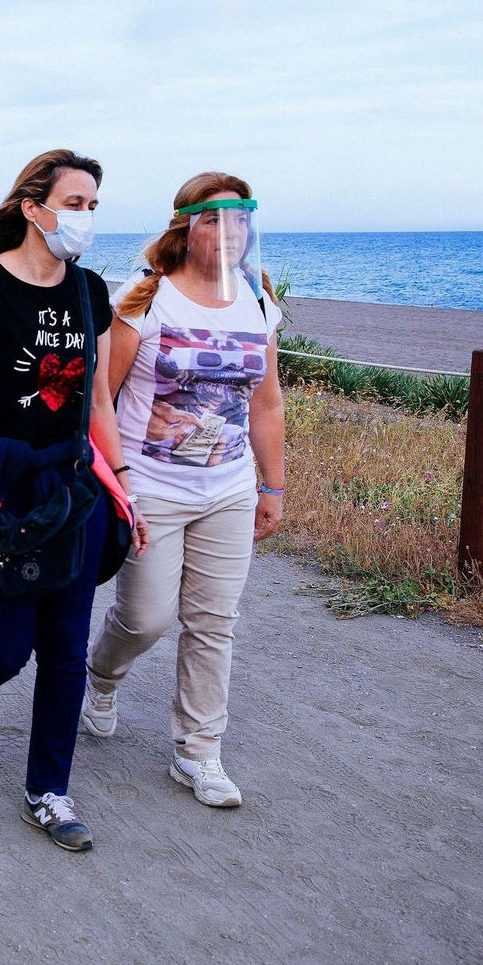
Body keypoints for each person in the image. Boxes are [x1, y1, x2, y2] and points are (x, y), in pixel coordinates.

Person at [0, 150, 147, 852]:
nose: (85, 217)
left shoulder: (90, 291)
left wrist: (124, 488)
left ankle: (48, 791)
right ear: (33, 208)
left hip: (72, 491)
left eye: (93, 206)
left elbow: (99, 403)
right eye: (74, 203)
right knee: (5, 648)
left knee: (63, 651)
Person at [81, 172, 285, 809]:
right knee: (145, 619)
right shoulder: (145, 300)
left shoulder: (257, 300)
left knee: (214, 623)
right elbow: (101, 398)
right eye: (213, 220)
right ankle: (102, 675)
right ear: (185, 228)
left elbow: (267, 404)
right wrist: (115, 481)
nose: (230, 232)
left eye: (240, 219)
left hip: (229, 489)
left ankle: (199, 752)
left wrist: (273, 484)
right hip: (152, 488)